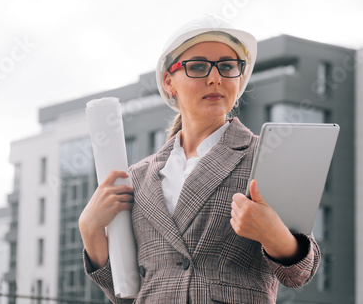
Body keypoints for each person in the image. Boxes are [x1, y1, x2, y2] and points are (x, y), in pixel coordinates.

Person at [79, 15, 320, 303]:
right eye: (197, 67)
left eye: (228, 67)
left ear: (240, 77)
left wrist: (274, 235)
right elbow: (127, 294)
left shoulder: (268, 157)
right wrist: (91, 231)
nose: (215, 77)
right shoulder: (138, 177)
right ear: (169, 81)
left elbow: (300, 273)